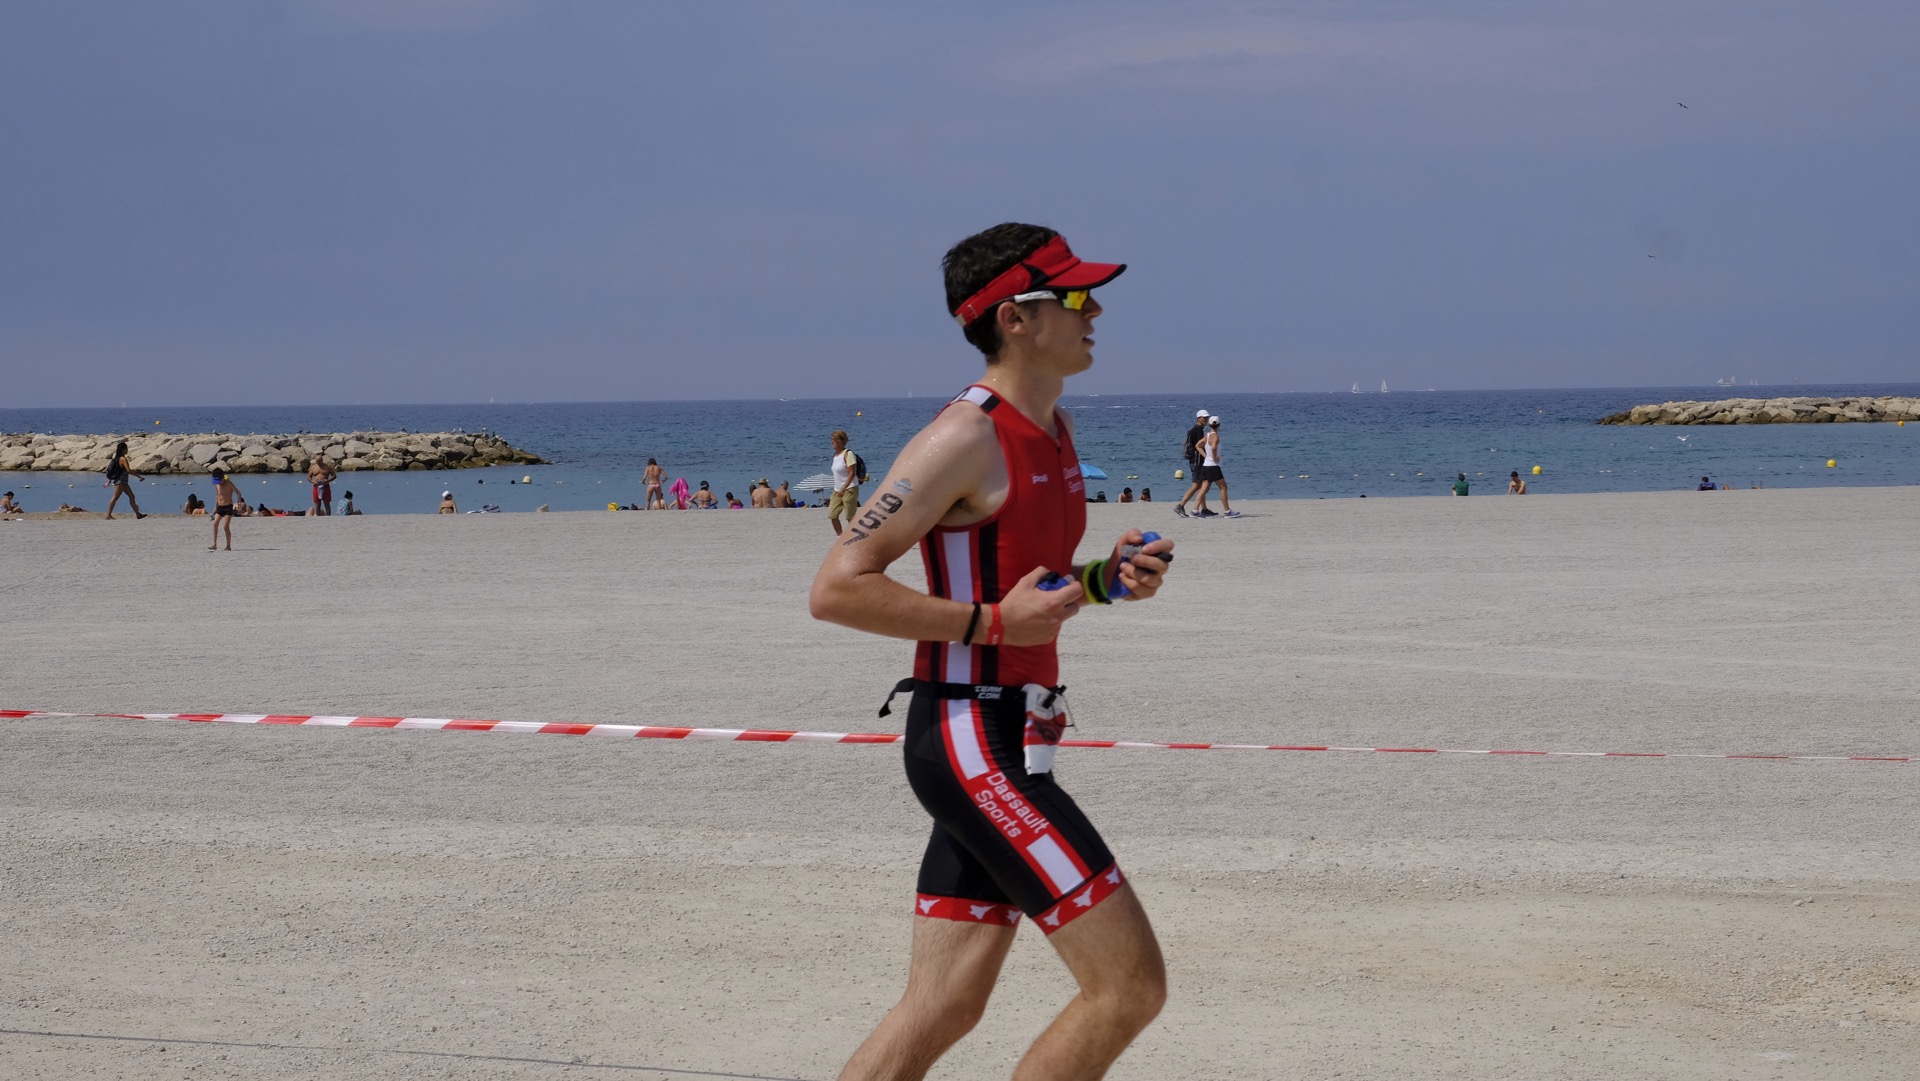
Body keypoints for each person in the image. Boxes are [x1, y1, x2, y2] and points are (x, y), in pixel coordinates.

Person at [810, 223, 1172, 1080]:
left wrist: (1103, 580)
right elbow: (837, 587)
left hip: (1011, 736)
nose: (1095, 311)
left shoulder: (1055, 426)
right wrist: (990, 625)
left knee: (943, 1003)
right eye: (1075, 296)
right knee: (1128, 988)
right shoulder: (963, 437)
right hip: (971, 740)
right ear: (1015, 318)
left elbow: (1024, 590)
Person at [1192, 416, 1238, 518]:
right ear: (1219, 425)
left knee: (1204, 489)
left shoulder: (1207, 435)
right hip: (1213, 466)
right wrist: (1214, 457)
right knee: (1223, 487)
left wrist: (1206, 456)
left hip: (1206, 465)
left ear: (1209, 425)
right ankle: (1227, 511)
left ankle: (1195, 510)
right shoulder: (1215, 436)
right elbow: (1213, 447)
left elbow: (1198, 445)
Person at [1173, 409, 1211, 517]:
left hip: (1194, 461)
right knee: (1196, 485)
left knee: (1202, 484)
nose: (1206, 419)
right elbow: (1200, 446)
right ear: (1198, 418)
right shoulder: (1198, 430)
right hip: (1197, 462)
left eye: (1207, 418)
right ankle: (1180, 505)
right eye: (1204, 418)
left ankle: (1204, 509)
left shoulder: (1195, 429)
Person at [827, 429, 862, 535]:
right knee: (832, 515)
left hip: (850, 488)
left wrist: (844, 487)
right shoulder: (835, 455)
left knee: (850, 517)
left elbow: (852, 473)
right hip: (837, 490)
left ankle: (855, 537)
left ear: (841, 441)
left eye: (834, 440)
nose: (832, 442)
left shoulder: (848, 454)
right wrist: (839, 489)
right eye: (832, 440)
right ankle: (840, 536)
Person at [103, 441, 147, 519]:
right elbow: (128, 470)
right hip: (120, 481)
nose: (127, 450)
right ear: (123, 449)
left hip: (123, 482)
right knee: (115, 497)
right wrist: (139, 476)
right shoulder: (123, 459)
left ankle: (138, 514)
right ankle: (109, 515)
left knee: (132, 496)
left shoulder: (117, 458)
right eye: (126, 448)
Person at [208, 468, 242, 550]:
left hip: (228, 507)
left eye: (219, 480)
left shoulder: (229, 484)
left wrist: (239, 505)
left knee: (225, 526)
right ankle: (214, 544)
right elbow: (217, 495)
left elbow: (238, 493)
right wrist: (215, 507)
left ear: (223, 478)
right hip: (220, 507)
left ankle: (228, 546)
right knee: (215, 524)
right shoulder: (216, 485)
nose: (218, 483)